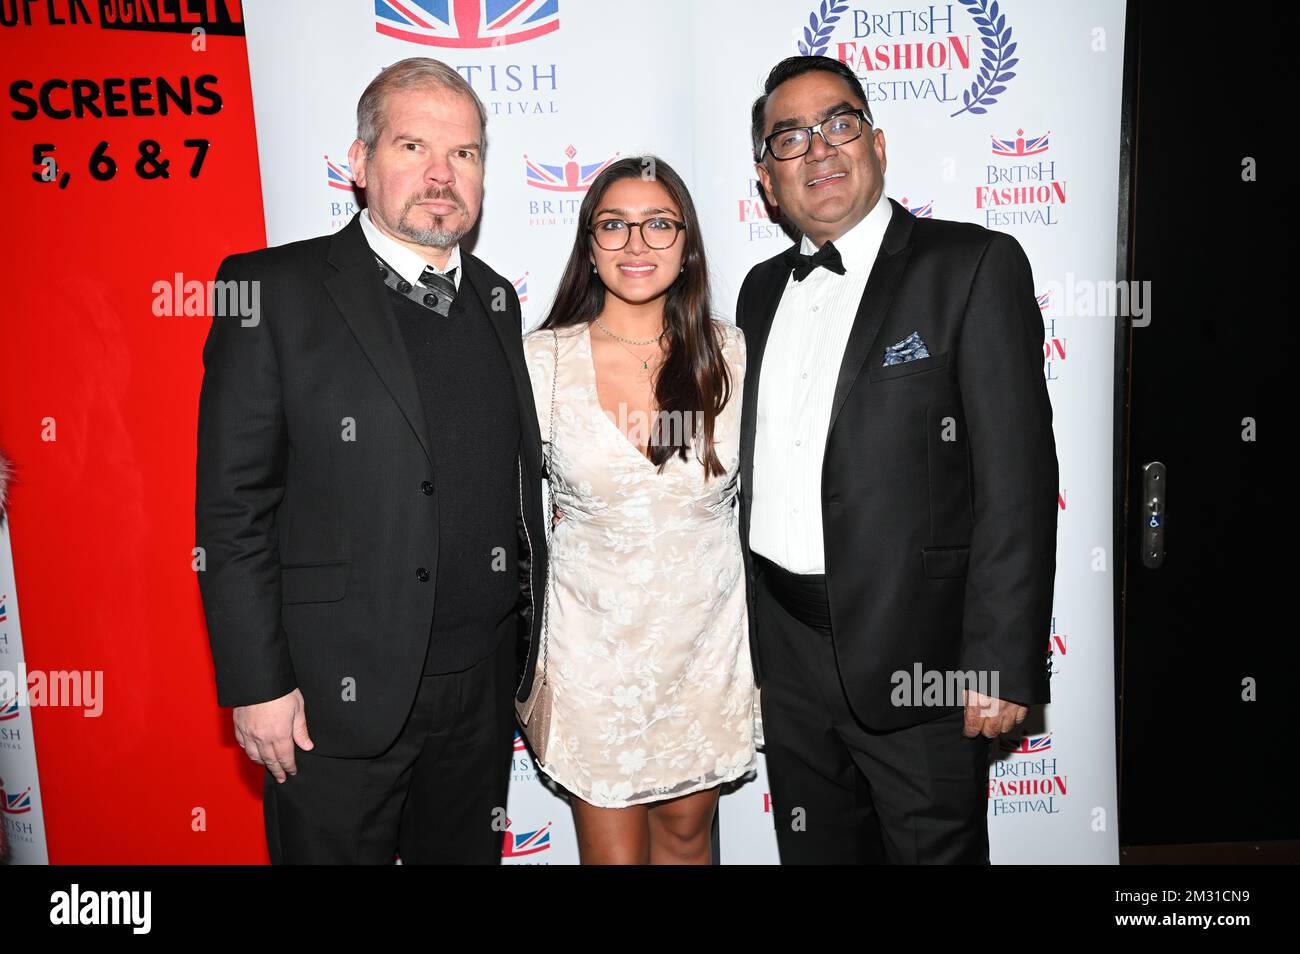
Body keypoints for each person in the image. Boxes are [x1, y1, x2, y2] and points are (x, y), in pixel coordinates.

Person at [195, 57, 548, 864]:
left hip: (482, 692)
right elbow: (232, 508)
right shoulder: (270, 289)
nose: (439, 174)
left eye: (462, 154)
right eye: (412, 146)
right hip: (329, 699)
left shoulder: (495, 297)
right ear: (359, 165)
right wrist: (257, 683)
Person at [736, 56, 1059, 864]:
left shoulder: (974, 266)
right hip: (787, 653)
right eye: (790, 137)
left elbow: (1018, 482)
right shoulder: (757, 292)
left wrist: (1002, 660)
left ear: (877, 143)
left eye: (838, 123)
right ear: (768, 180)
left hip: (925, 660)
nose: (819, 149)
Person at [519, 156, 762, 864]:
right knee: (615, 855)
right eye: (614, 226)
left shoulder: (733, 356)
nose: (636, 244)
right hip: (590, 649)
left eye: (658, 225)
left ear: (686, 246)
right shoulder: (543, 360)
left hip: (706, 640)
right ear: (589, 248)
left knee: (687, 839)